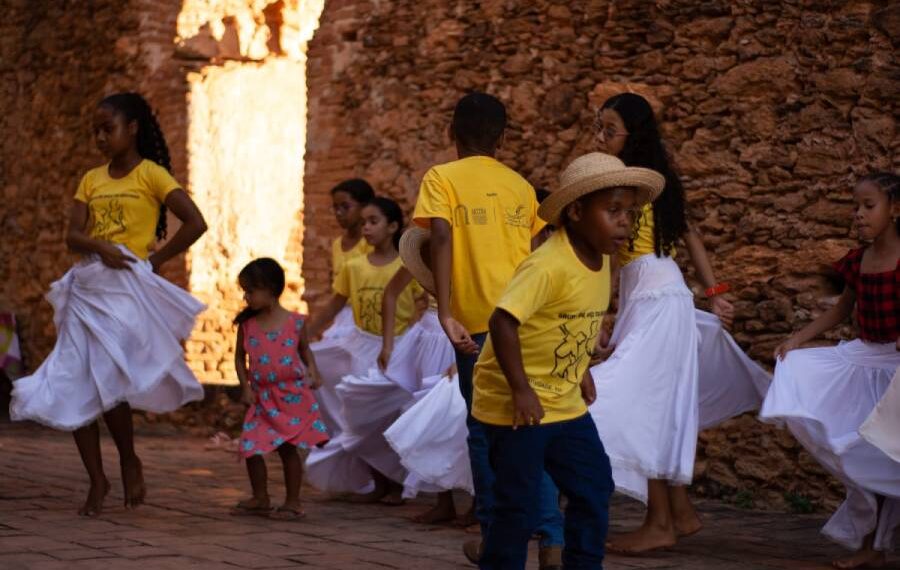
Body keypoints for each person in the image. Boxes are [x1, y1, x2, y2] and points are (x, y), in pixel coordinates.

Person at [588, 92, 770, 553]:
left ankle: (660, 524)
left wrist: (715, 293)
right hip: (650, 298)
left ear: (633, 135)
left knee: (643, 406)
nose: (600, 137)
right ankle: (680, 513)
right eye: (598, 128)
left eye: (609, 130)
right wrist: (607, 311)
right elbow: (628, 257)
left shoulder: (643, 185)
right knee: (659, 405)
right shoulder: (636, 182)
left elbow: (684, 237)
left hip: (658, 299)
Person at [10, 92, 208, 516]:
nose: (100, 138)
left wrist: (155, 260)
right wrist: (100, 246)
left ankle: (128, 458)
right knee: (73, 381)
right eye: (95, 131)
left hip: (125, 292)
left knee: (107, 377)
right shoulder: (91, 179)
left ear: (132, 128)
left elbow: (196, 222)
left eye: (108, 129)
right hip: (87, 287)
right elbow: (72, 236)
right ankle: (97, 478)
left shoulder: (152, 175)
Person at [473, 152, 664, 569]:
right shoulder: (548, 265)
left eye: (630, 213)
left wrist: (581, 370)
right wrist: (521, 389)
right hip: (516, 405)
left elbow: (570, 320)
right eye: (613, 211)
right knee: (518, 505)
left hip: (563, 402)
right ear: (576, 212)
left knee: (593, 487)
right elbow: (502, 322)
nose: (624, 223)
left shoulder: (601, 259)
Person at [412, 91, 564, 568]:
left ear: (450, 133)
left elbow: (440, 235)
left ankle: (497, 537)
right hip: (526, 317)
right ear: (503, 138)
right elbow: (538, 253)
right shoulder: (521, 186)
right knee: (531, 426)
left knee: (483, 431)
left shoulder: (441, 177)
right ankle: (552, 540)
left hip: (476, 321)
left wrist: (444, 310)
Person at [761, 172, 899, 570]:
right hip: (866, 361)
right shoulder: (858, 260)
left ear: (895, 210)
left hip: (896, 369)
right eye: (855, 207)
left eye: (868, 206)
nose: (858, 214)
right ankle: (872, 547)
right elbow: (841, 310)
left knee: (893, 453)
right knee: (868, 453)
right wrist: (797, 340)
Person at [305, 197, 453, 504]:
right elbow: (336, 304)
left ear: (393, 226)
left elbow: (420, 302)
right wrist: (303, 335)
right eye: (364, 223)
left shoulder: (407, 263)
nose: (366, 228)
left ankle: (400, 482)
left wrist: (409, 339)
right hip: (362, 345)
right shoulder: (354, 267)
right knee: (363, 413)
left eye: (373, 221)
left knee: (396, 414)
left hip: (402, 346)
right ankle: (380, 482)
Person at [231, 258, 328, 520]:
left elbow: (305, 350)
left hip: (290, 397)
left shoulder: (295, 322)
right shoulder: (247, 325)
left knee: (287, 449)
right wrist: (245, 387)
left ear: (271, 289)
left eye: (251, 290)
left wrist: (313, 370)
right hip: (261, 398)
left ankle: (293, 502)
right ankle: (260, 497)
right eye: (245, 291)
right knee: (251, 446)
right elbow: (239, 357)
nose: (246, 296)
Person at [309, 179, 376, 435]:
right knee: (318, 366)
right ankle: (339, 432)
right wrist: (308, 332)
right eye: (335, 207)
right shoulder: (338, 244)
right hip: (343, 319)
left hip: (367, 317)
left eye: (345, 207)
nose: (338, 213)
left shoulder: (370, 244)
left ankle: (361, 435)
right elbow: (338, 295)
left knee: (361, 380)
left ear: (364, 207)